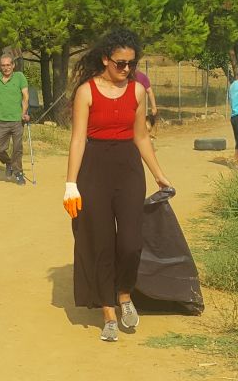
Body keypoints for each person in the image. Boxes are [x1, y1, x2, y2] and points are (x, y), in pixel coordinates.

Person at [63, 28, 172, 342]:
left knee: (130, 243)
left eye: (131, 64)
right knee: (101, 243)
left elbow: (141, 137)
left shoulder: (137, 91)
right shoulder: (86, 92)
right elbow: (78, 139)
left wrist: (158, 174)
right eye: (120, 63)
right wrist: (71, 183)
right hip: (94, 170)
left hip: (128, 169)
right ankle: (108, 312)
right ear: (105, 60)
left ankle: (124, 293)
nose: (126, 69)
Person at [0, 53, 29, 185]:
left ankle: (18, 173)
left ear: (13, 65)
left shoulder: (20, 77)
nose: (6, 68)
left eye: (8, 65)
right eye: (3, 65)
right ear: (0, 67)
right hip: (2, 119)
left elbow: (25, 96)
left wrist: (24, 113)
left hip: (17, 120)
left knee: (17, 148)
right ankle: (9, 163)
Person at [134, 70, 159, 137]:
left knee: (143, 127)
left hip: (139, 108)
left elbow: (149, 91)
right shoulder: (122, 77)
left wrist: (153, 107)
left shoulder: (141, 76)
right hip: (126, 109)